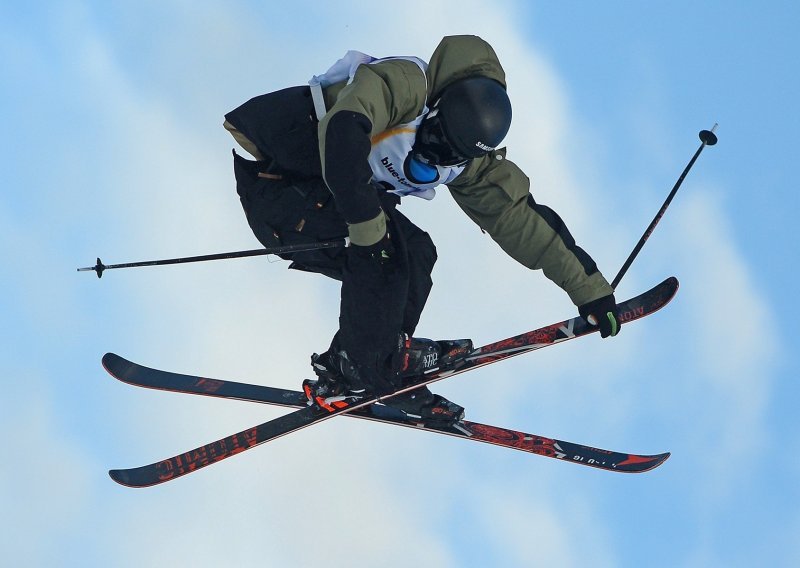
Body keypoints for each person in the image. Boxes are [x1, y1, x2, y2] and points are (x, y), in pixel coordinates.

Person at [223, 35, 621, 428]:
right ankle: (365, 365)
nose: (437, 156)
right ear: (439, 109)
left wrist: (590, 292)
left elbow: (522, 221)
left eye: (453, 154)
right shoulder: (408, 85)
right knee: (390, 252)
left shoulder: (470, 164)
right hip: (280, 186)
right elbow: (344, 129)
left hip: (319, 210)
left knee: (416, 253)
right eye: (436, 139)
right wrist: (367, 228)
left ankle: (374, 362)